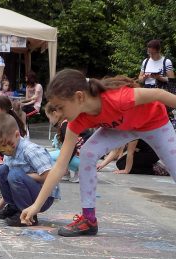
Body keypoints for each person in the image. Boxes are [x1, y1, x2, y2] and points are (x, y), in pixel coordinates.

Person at [20, 69, 176, 236]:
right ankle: (89, 220)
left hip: (154, 123)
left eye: (60, 107)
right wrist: (35, 206)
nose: (59, 113)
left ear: (79, 97)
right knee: (88, 152)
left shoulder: (119, 98)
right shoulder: (76, 121)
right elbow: (59, 166)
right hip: (124, 128)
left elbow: (159, 93)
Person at [0, 113, 60, 227]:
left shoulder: (30, 150)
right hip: (26, 190)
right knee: (2, 171)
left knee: (14, 174)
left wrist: (24, 176)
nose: (5, 148)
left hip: (44, 197)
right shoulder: (9, 150)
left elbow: (50, 176)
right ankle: (14, 208)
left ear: (17, 135)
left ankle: (28, 215)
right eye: (1, 147)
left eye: (7, 144)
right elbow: (9, 177)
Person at [46, 102, 92, 183]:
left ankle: (78, 172)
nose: (50, 121)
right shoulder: (67, 122)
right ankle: (72, 172)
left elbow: (71, 147)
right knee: (58, 144)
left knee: (48, 156)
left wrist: (64, 164)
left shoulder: (65, 124)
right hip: (87, 157)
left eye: (49, 118)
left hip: (83, 159)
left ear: (55, 114)